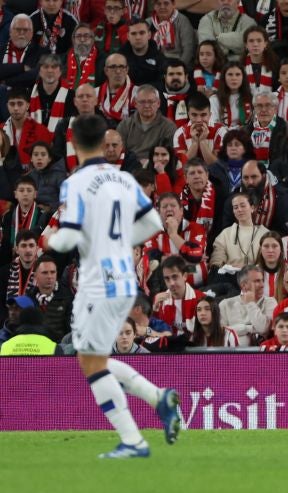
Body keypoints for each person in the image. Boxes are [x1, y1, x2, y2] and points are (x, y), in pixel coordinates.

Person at [46, 113, 182, 458]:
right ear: (105, 141)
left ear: (74, 143)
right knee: (95, 358)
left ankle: (134, 440)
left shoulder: (76, 182)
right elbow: (153, 222)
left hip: (97, 283)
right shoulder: (123, 179)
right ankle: (158, 399)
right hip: (125, 279)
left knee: (91, 364)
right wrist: (121, 243)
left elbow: (71, 235)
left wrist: (52, 240)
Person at [218, 265, 277, 346]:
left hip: (261, 355)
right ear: (244, 285)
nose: (262, 285)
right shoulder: (225, 304)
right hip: (231, 355)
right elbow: (221, 334)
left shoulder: (270, 302)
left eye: (262, 280)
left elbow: (263, 329)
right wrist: (249, 328)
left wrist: (250, 304)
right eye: (257, 281)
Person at [27, 254, 73, 343]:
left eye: (53, 272)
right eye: (45, 272)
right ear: (35, 276)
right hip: (34, 348)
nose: (49, 276)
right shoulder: (28, 299)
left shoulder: (68, 297)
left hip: (60, 349)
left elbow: (71, 332)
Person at [29, 54, 75, 133]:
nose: (50, 70)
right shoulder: (29, 94)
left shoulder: (71, 96)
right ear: (39, 71)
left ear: (60, 71)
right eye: (46, 67)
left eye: (54, 67)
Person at [148, 0, 196, 67]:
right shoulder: (148, 23)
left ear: (173, 4)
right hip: (153, 64)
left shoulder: (182, 21)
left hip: (177, 63)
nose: (162, 7)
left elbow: (188, 51)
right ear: (154, 6)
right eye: (158, 4)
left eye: (166, 3)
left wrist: (179, 68)